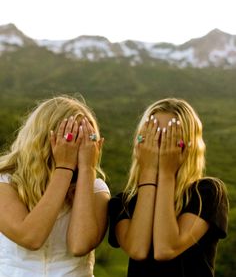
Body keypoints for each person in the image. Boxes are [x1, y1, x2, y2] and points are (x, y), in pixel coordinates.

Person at [108, 98, 228, 277]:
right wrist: (148, 172)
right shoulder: (123, 202)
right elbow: (137, 250)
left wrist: (166, 174)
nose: (160, 142)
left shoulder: (207, 193)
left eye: (170, 135)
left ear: (188, 144)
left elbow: (166, 248)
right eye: (153, 133)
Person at [0, 95, 110, 277]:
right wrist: (64, 168)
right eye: (71, 138)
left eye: (87, 138)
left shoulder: (96, 189)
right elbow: (30, 237)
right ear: (45, 139)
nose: (79, 146)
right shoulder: (5, 182)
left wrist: (87, 168)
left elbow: (79, 245)